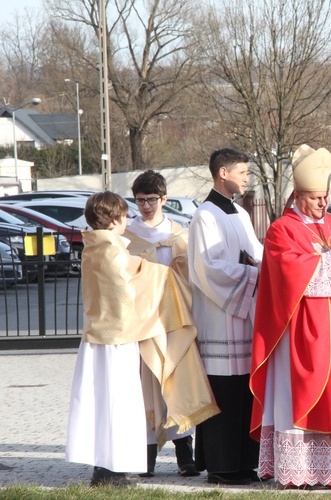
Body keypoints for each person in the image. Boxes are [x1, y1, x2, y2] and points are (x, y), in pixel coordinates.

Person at [66, 191, 219, 487]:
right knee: (118, 403)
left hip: (100, 339)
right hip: (116, 341)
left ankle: (106, 468)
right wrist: (166, 274)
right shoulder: (110, 249)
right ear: (114, 220)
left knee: (103, 403)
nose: (128, 220)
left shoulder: (94, 246)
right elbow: (129, 286)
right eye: (124, 216)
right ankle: (111, 471)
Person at [249, 144, 331, 488]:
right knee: (298, 398)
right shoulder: (281, 229)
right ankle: (300, 470)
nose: (324, 205)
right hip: (298, 335)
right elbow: (289, 272)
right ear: (298, 195)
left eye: (325, 198)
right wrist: (329, 258)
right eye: (316, 198)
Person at [188, 148, 264, 485]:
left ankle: (244, 463)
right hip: (220, 318)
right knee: (223, 391)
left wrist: (263, 268)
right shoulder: (205, 216)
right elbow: (207, 269)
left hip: (244, 315)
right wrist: (250, 273)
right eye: (242, 171)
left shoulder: (241, 214)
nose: (247, 177)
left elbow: (257, 256)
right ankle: (221, 466)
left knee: (243, 391)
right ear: (223, 172)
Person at [124, 170, 197, 478]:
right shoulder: (128, 236)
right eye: (140, 200)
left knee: (176, 382)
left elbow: (192, 275)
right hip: (143, 319)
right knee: (146, 386)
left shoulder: (180, 235)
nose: (146, 206)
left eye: (152, 200)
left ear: (164, 199)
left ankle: (185, 457)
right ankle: (147, 459)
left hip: (174, 317)